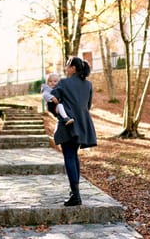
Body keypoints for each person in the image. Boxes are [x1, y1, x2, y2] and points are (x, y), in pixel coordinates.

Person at [51, 56, 97, 206]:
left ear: (73, 68)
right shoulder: (88, 85)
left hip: (68, 125)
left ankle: (76, 196)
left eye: (67, 66)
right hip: (83, 125)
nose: (65, 68)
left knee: (69, 156)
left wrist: (57, 109)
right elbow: (87, 106)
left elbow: (52, 100)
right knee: (74, 156)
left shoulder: (63, 83)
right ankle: (74, 192)